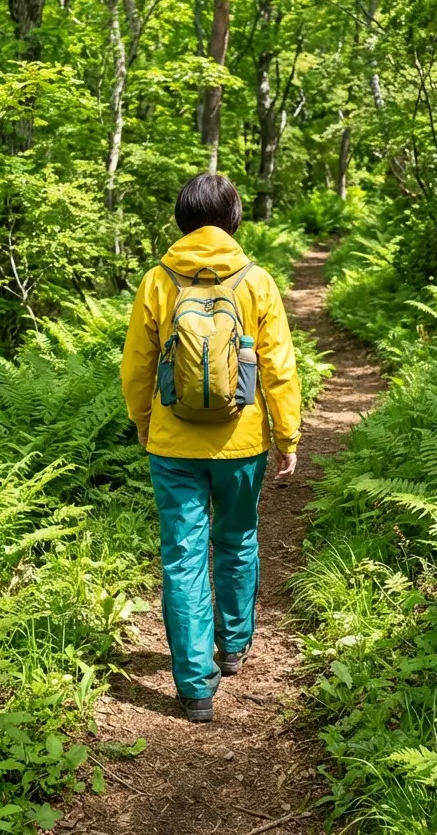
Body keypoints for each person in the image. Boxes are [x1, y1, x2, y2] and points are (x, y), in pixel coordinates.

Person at [120, 173, 302, 723]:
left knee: (182, 555)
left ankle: (196, 688)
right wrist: (287, 436)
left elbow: (136, 366)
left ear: (181, 220)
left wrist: (144, 421)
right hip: (241, 441)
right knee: (238, 538)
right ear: (233, 219)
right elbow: (278, 367)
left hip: (173, 443)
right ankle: (233, 647)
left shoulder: (158, 281)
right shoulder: (256, 282)